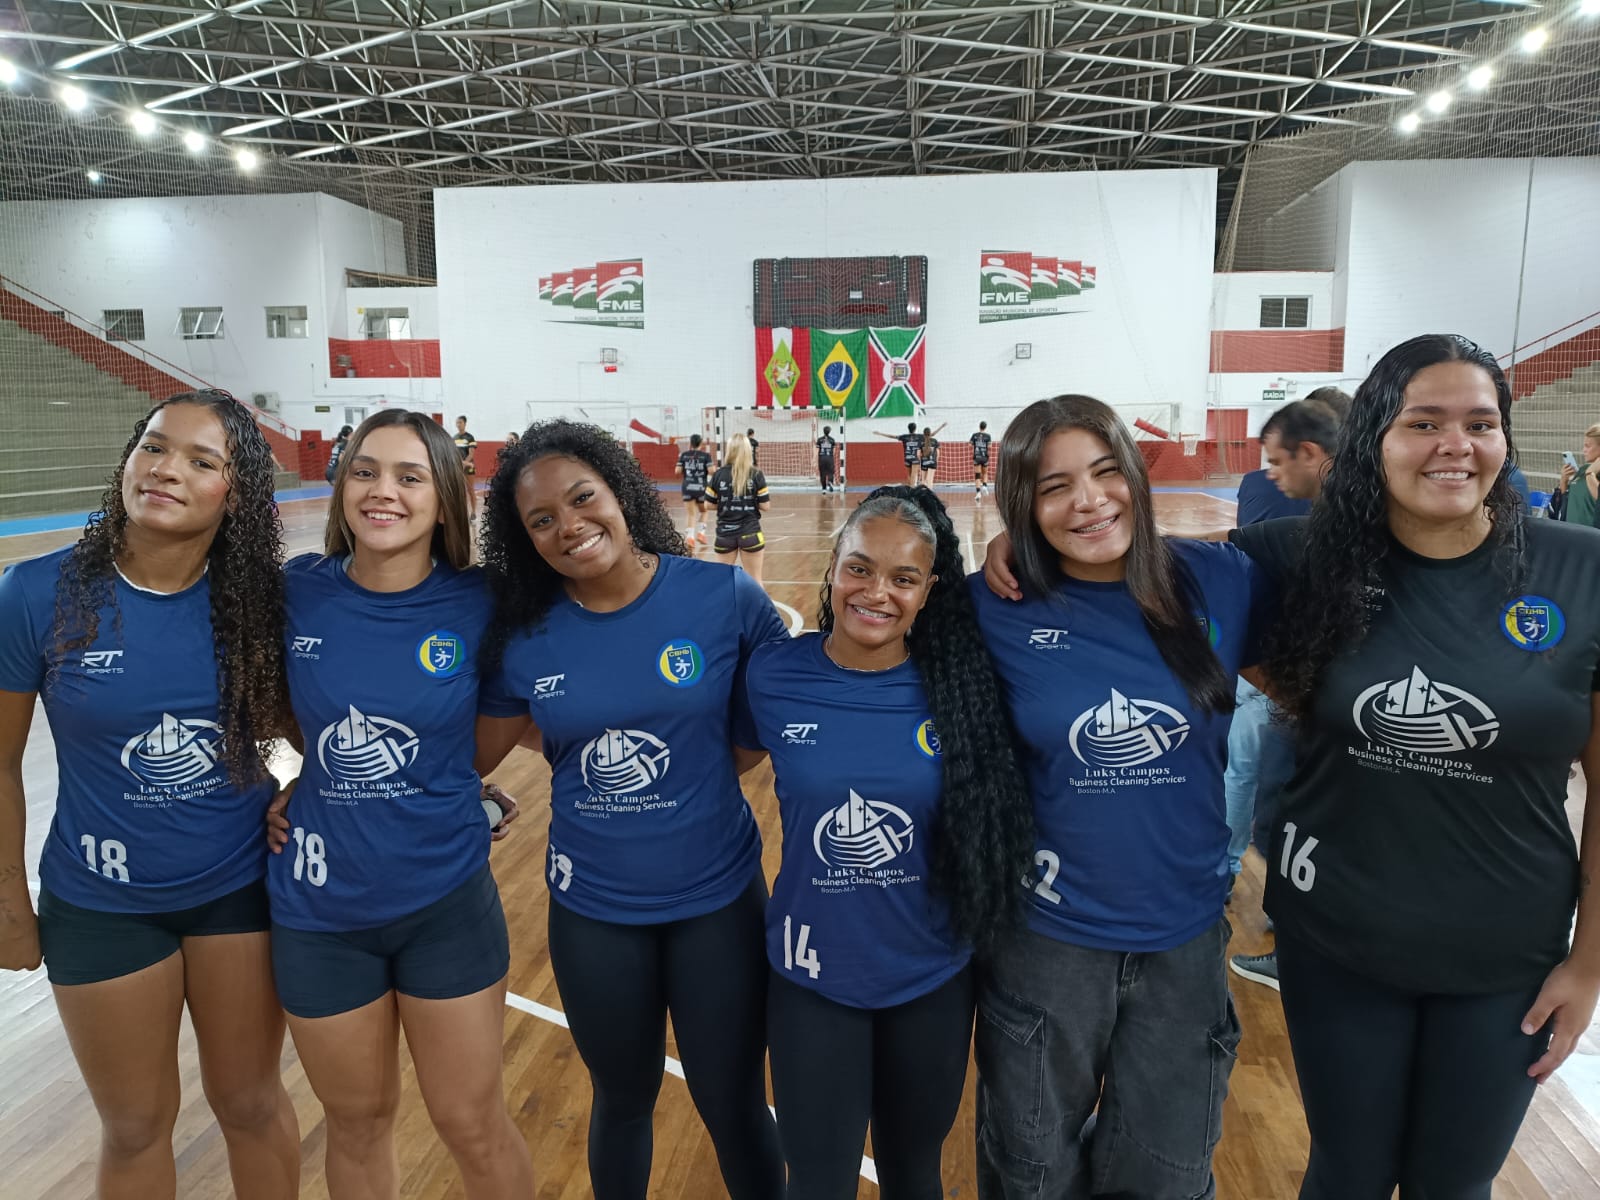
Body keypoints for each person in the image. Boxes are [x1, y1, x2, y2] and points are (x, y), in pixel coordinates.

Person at [1235, 333, 1600, 1198]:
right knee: (1347, 1172)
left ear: (1504, 437)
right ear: (1375, 439)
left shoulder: (1580, 571)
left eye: (1480, 423)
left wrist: (1589, 964)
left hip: (1506, 953)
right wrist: (1019, 552)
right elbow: (1135, 575)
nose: (1454, 445)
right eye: (1424, 422)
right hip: (1337, 938)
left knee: (1454, 1183)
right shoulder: (1299, 556)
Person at [473, 419, 786, 1200]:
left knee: (734, 1103)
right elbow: (471, 750)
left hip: (718, 903)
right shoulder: (526, 637)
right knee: (621, 1101)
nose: (569, 526)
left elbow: (754, 740)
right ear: (524, 539)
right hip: (595, 914)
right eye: (541, 520)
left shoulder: (723, 597)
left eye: (583, 499)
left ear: (620, 492)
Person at [0, 391, 300, 1198]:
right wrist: (8, 904)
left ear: (235, 495)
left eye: (202, 461)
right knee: (134, 1125)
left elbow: (315, 730)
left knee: (250, 1103)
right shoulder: (35, 594)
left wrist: (301, 793)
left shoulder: (260, 607)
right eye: (155, 447)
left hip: (238, 891)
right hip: (100, 904)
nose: (167, 470)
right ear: (129, 458)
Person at [969, 394, 1266, 1199]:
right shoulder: (987, 607)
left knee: (1167, 1176)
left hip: (1185, 940)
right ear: (1022, 504)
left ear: (1135, 473)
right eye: (1054, 487)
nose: (1089, 500)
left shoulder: (1221, 580)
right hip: (1045, 943)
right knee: (1031, 1174)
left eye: (1106, 473)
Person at [738, 486, 1035, 1200]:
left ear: (929, 592)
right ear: (833, 566)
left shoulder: (962, 688)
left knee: (914, 1174)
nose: (876, 593)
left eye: (904, 578)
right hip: (812, 975)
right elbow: (714, 763)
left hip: (929, 975)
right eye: (860, 568)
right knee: (817, 1183)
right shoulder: (774, 675)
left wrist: (1011, 542)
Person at [265, 409, 533, 1198]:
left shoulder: (484, 602)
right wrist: (304, 777)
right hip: (319, 911)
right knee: (355, 1122)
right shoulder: (296, 593)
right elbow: (283, 713)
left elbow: (498, 727)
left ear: (445, 500)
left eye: (409, 477)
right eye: (365, 471)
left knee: (472, 1123)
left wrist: (447, 778)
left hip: (444, 905)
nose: (383, 491)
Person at [1226, 398, 1343, 991]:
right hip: (1305, 698)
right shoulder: (1311, 529)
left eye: (1277, 460)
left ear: (1311, 453)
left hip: (1323, 710)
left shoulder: (1335, 533)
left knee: (1272, 801)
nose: (1269, 473)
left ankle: (1299, 944)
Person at [709, 433, 771, 586]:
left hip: (725, 534)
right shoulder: (756, 474)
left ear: (729, 450)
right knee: (755, 580)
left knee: (722, 582)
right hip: (750, 532)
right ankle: (757, 604)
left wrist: (726, 503)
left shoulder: (718, 474)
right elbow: (765, 506)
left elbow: (708, 504)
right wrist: (748, 501)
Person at [1552, 422, 1600, 526]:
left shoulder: (1590, 473)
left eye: (1588, 446)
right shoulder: (1582, 471)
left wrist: (1590, 474)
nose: (1584, 450)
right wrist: (1564, 481)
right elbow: (1568, 503)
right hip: (1572, 531)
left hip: (1591, 533)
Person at [674, 433, 713, 545]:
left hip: (688, 487)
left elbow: (677, 471)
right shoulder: (706, 456)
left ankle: (690, 538)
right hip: (701, 488)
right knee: (704, 511)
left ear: (690, 443)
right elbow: (711, 471)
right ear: (701, 443)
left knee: (691, 514)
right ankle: (701, 533)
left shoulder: (684, 455)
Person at [874, 422, 923, 486]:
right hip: (915, 458)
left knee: (909, 475)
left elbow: (892, 436)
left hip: (907, 458)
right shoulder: (920, 436)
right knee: (914, 475)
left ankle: (909, 488)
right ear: (915, 429)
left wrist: (880, 433)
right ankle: (912, 489)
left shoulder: (904, 437)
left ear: (908, 429)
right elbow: (930, 435)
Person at [454, 414, 479, 520]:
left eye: (460, 422)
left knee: (470, 490)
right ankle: (463, 513)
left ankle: (473, 512)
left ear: (465, 424)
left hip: (468, 467)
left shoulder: (470, 437)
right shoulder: (454, 438)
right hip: (458, 467)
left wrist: (464, 463)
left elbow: (471, 454)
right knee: (460, 492)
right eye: (457, 423)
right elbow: (454, 453)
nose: (458, 424)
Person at [918, 424, 947, 488]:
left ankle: (923, 492)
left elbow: (918, 454)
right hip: (932, 462)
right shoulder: (934, 441)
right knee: (930, 480)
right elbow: (938, 452)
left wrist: (920, 461)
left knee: (923, 480)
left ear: (923, 434)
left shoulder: (921, 441)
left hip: (924, 462)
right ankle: (929, 492)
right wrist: (936, 460)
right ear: (930, 433)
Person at [971, 421, 993, 503]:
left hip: (977, 456)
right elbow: (990, 446)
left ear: (979, 426)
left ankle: (978, 493)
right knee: (985, 473)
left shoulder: (975, 435)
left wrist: (976, 444)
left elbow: (970, 444)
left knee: (977, 475)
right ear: (985, 427)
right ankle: (984, 486)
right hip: (984, 457)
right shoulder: (988, 436)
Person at [816, 425, 838, 494]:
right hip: (829, 458)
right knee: (830, 472)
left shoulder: (819, 439)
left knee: (822, 473)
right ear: (829, 432)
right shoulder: (832, 440)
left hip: (822, 458)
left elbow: (816, 450)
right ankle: (830, 482)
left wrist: (817, 458)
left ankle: (824, 489)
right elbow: (834, 451)